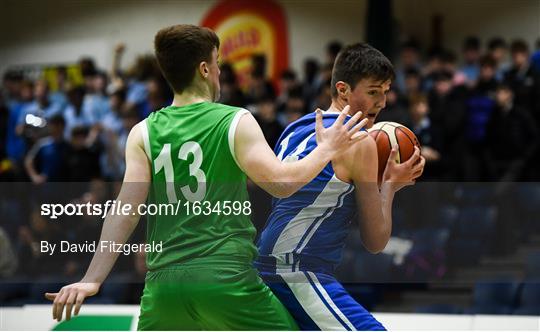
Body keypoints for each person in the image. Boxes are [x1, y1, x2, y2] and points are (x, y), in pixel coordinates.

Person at [45, 24, 368, 330]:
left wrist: (92, 279)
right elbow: (281, 184)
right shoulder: (234, 120)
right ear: (203, 69)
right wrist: (326, 149)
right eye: (217, 63)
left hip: (164, 287)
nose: (218, 72)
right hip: (225, 281)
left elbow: (125, 211)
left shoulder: (142, 132)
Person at [255, 43, 425, 330]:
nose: (382, 102)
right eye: (373, 92)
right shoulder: (361, 141)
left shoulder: (295, 128)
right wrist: (391, 186)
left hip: (264, 266)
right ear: (343, 90)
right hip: (295, 270)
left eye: (385, 91)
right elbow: (375, 241)